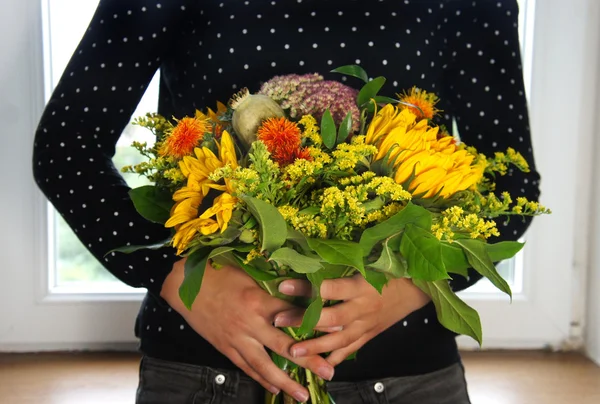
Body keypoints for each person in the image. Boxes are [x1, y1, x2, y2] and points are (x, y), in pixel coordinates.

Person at [32, 0, 541, 403]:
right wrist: (176, 273)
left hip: (408, 372)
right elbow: (66, 148)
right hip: (205, 370)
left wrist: (411, 285)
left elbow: (511, 188)